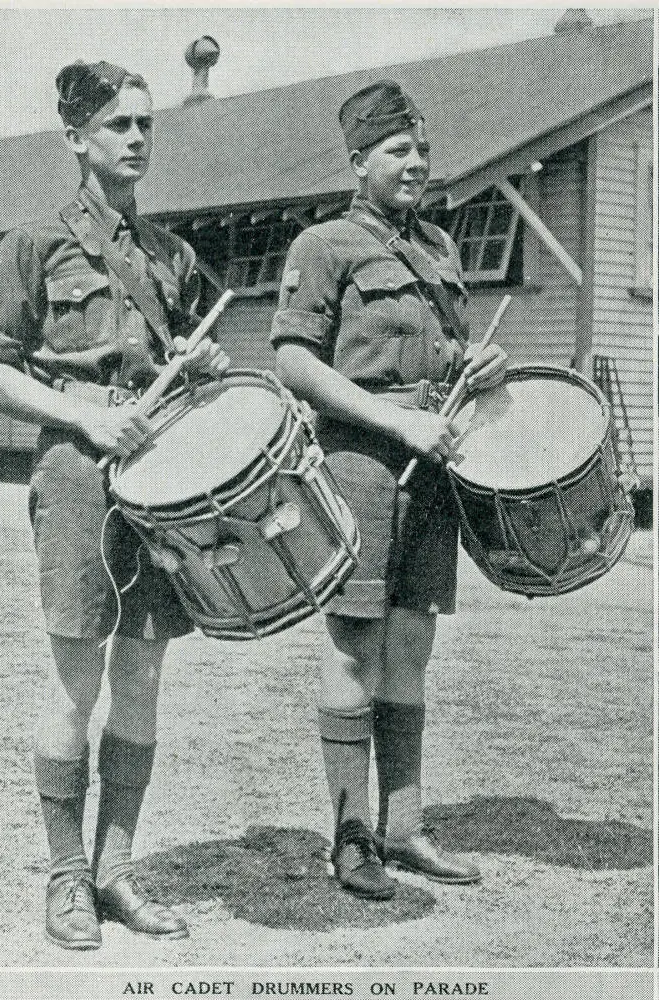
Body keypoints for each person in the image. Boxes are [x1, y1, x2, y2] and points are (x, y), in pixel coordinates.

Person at [0, 61, 229, 949]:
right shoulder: (32, 245)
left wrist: (203, 373)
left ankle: (115, 871)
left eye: (145, 124)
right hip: (79, 480)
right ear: (76, 138)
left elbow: (192, 371)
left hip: (162, 489)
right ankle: (65, 876)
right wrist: (84, 415)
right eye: (119, 125)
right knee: (76, 681)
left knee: (143, 678)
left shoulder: (173, 257)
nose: (137, 138)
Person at [271, 81, 508, 900]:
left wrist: (481, 369)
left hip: (433, 471)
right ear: (357, 162)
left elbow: (442, 353)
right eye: (396, 152)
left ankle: (403, 828)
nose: (415, 163)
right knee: (354, 649)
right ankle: (349, 838)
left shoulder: (439, 245)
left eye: (421, 150)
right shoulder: (324, 244)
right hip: (361, 469)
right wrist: (395, 421)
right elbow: (294, 362)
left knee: (409, 649)